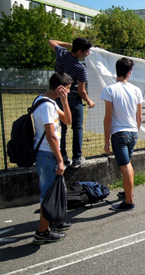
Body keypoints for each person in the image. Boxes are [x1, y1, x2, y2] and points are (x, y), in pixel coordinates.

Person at [32, 72, 73, 245]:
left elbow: (68, 121)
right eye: (68, 90)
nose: (69, 92)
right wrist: (60, 160)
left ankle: (54, 220)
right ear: (60, 88)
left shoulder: (46, 101)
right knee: (48, 195)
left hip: (48, 154)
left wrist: (64, 102)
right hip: (48, 155)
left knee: (55, 190)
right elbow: (52, 136)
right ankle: (41, 233)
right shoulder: (47, 106)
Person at [101, 57, 143, 210]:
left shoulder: (109, 89)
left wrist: (106, 140)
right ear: (129, 73)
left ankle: (129, 201)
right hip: (132, 132)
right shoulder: (136, 90)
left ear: (116, 71)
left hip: (119, 133)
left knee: (125, 166)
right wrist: (135, 130)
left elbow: (108, 118)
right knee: (127, 165)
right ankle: (127, 192)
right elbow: (140, 116)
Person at [48, 38, 96, 169]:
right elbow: (81, 91)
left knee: (61, 128)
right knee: (77, 128)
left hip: (58, 97)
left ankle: (62, 156)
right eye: (86, 52)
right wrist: (89, 101)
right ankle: (76, 158)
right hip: (74, 98)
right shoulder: (80, 68)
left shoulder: (62, 53)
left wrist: (71, 46)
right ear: (80, 51)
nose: (88, 54)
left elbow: (51, 41)